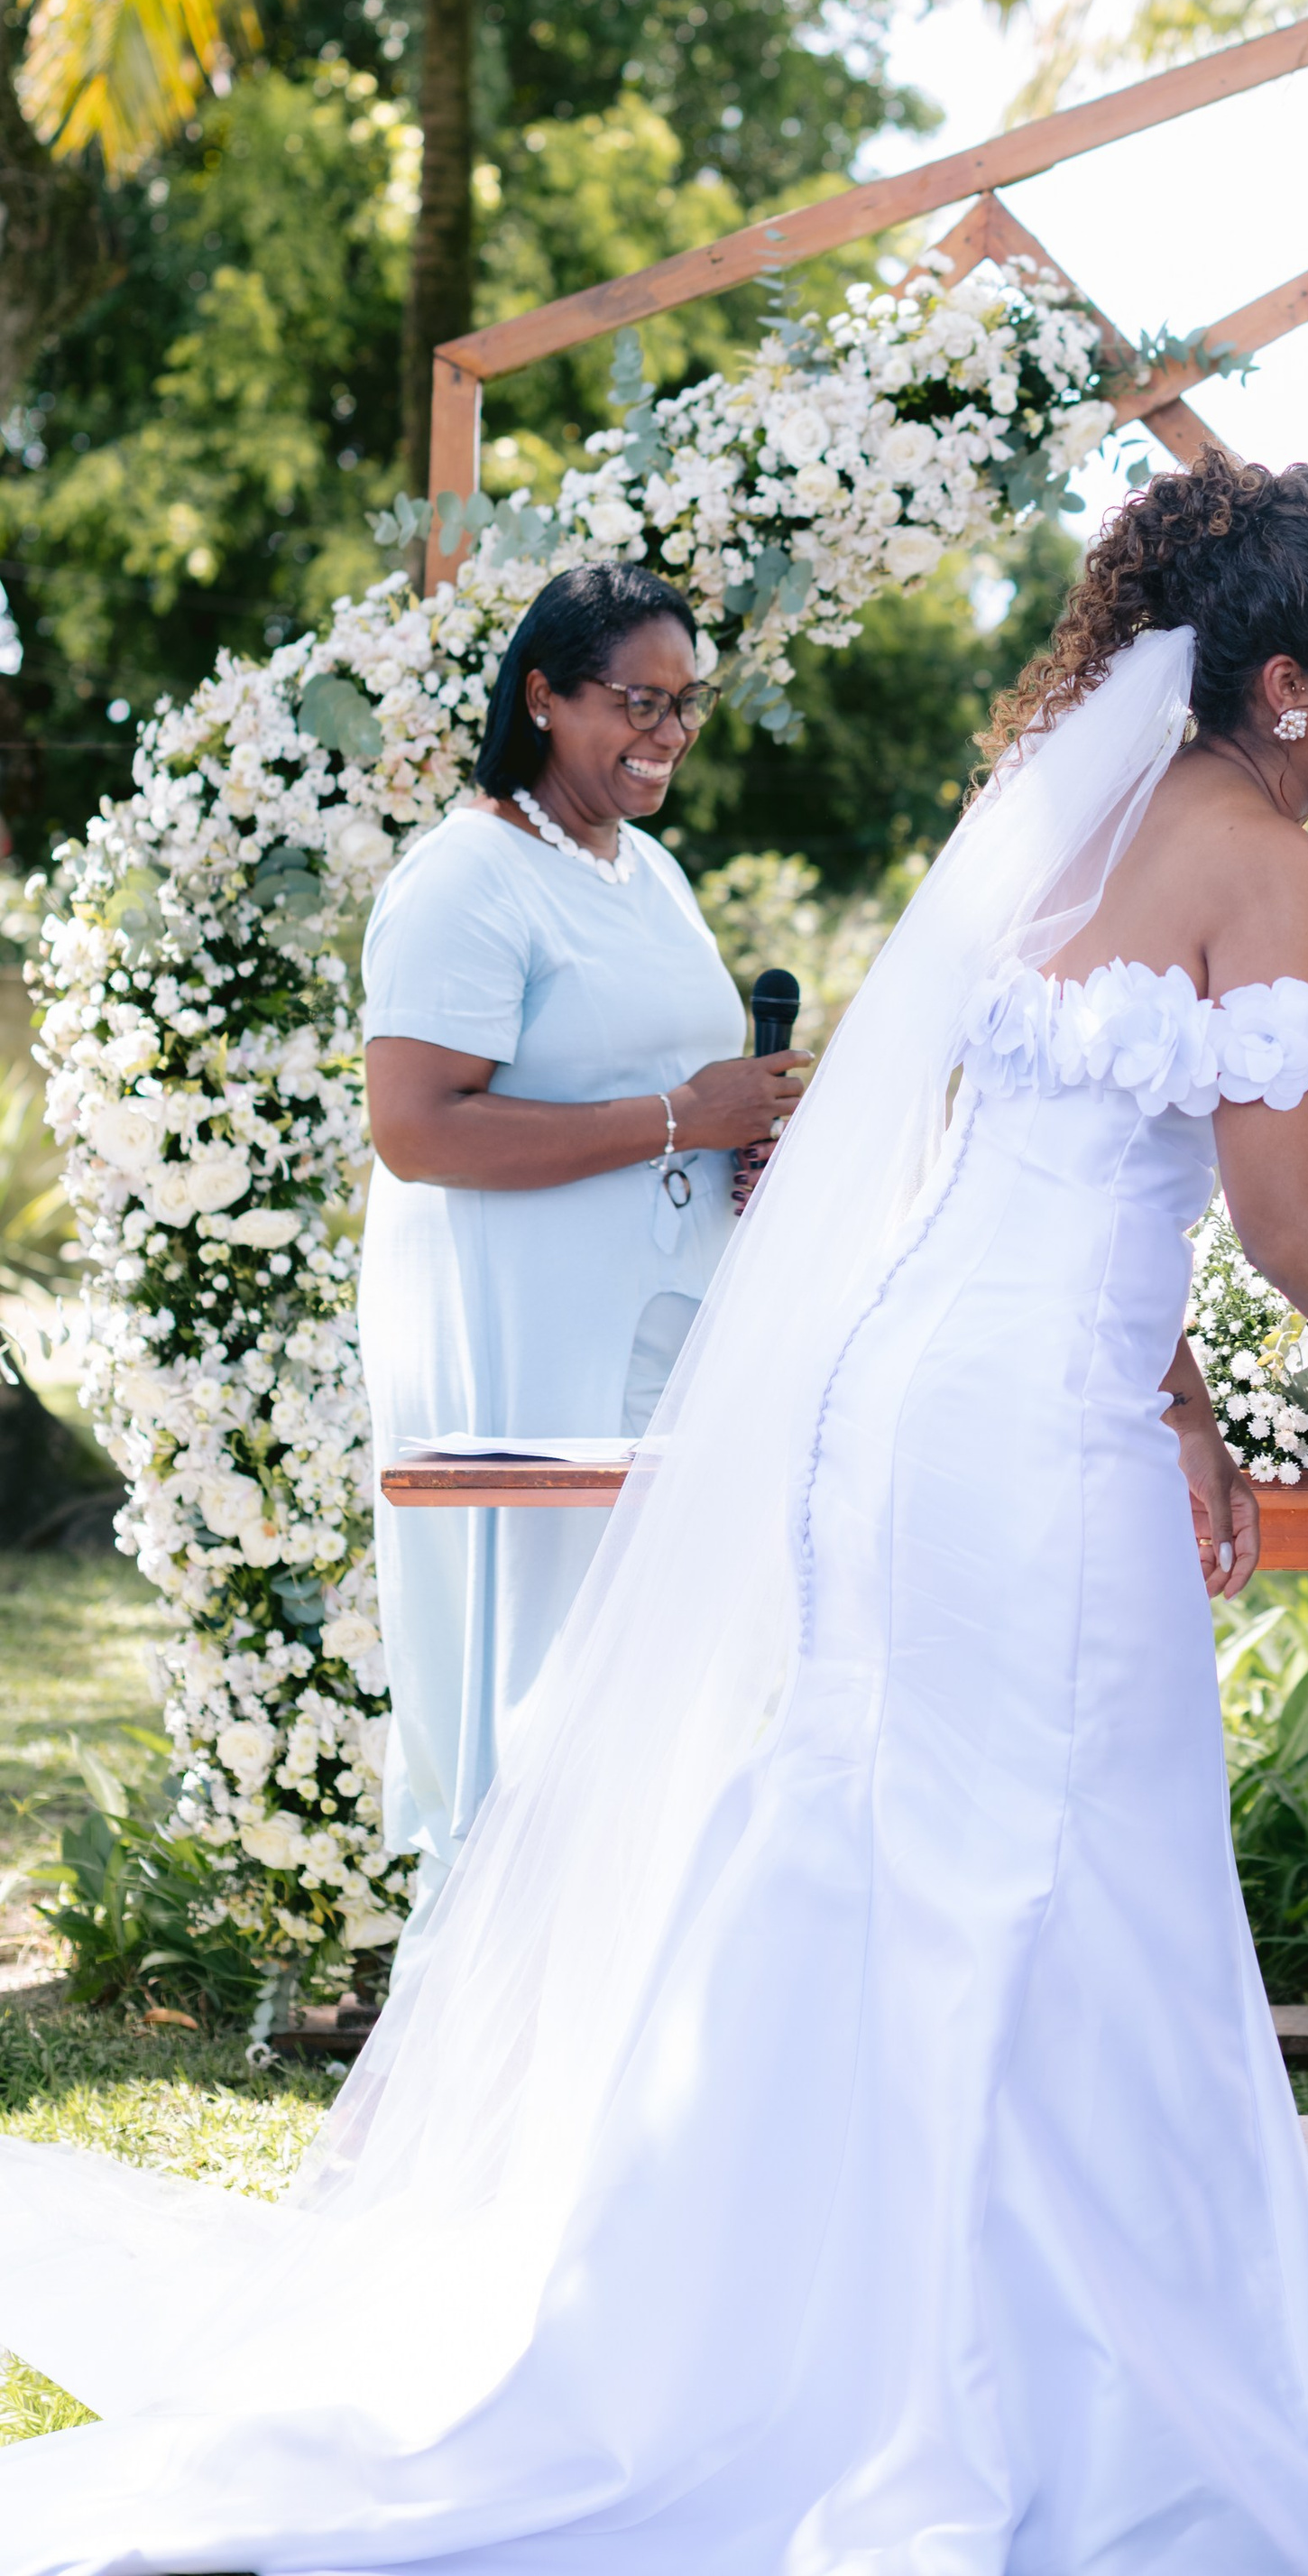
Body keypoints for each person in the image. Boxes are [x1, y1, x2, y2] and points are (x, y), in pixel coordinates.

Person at [0, 453, 1308, 2576]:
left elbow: (1035, 1155)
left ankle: (778, 2348)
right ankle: (999, 2405)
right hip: (1024, 1446)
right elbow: (1288, 1229)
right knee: (1059, 1873)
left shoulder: (1067, 820)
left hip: (913, 1404)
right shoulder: (1266, 870)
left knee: (887, 1849)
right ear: (1285, 679)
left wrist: (1183, 1401)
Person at [360, 559, 809, 1931]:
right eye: (638, 703)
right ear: (546, 697)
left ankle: (631, 1976)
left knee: (654, 1659)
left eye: (687, 705)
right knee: (540, 1669)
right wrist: (682, 1118)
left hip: (658, 1316)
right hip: (526, 1330)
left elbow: (667, 1090)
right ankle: (499, 1978)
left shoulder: (646, 869)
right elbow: (417, 1128)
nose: (668, 734)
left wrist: (742, 1137)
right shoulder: (467, 878)